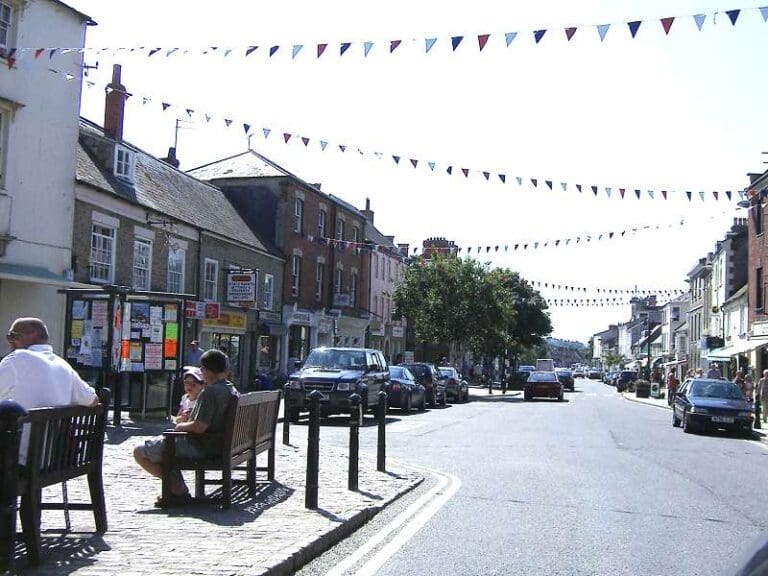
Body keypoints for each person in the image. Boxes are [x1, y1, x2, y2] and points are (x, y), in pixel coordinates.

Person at [134, 349, 238, 506]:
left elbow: (199, 427)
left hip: (203, 446)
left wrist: (181, 425)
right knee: (163, 448)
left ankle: (177, 490)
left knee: (140, 452)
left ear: (205, 370)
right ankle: (177, 489)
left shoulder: (210, 392)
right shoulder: (231, 389)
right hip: (222, 445)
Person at [0, 317, 98, 463]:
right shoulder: (63, 365)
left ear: (32, 335)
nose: (9, 341)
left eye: (12, 336)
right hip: (48, 461)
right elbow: (93, 399)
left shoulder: (17, 358)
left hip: (14, 461)